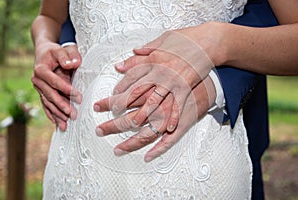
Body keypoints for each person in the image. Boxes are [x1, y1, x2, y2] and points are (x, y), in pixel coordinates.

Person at [31, 0, 298, 199]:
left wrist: (220, 41)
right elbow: (50, 18)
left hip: (191, 164)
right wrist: (44, 45)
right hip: (77, 163)